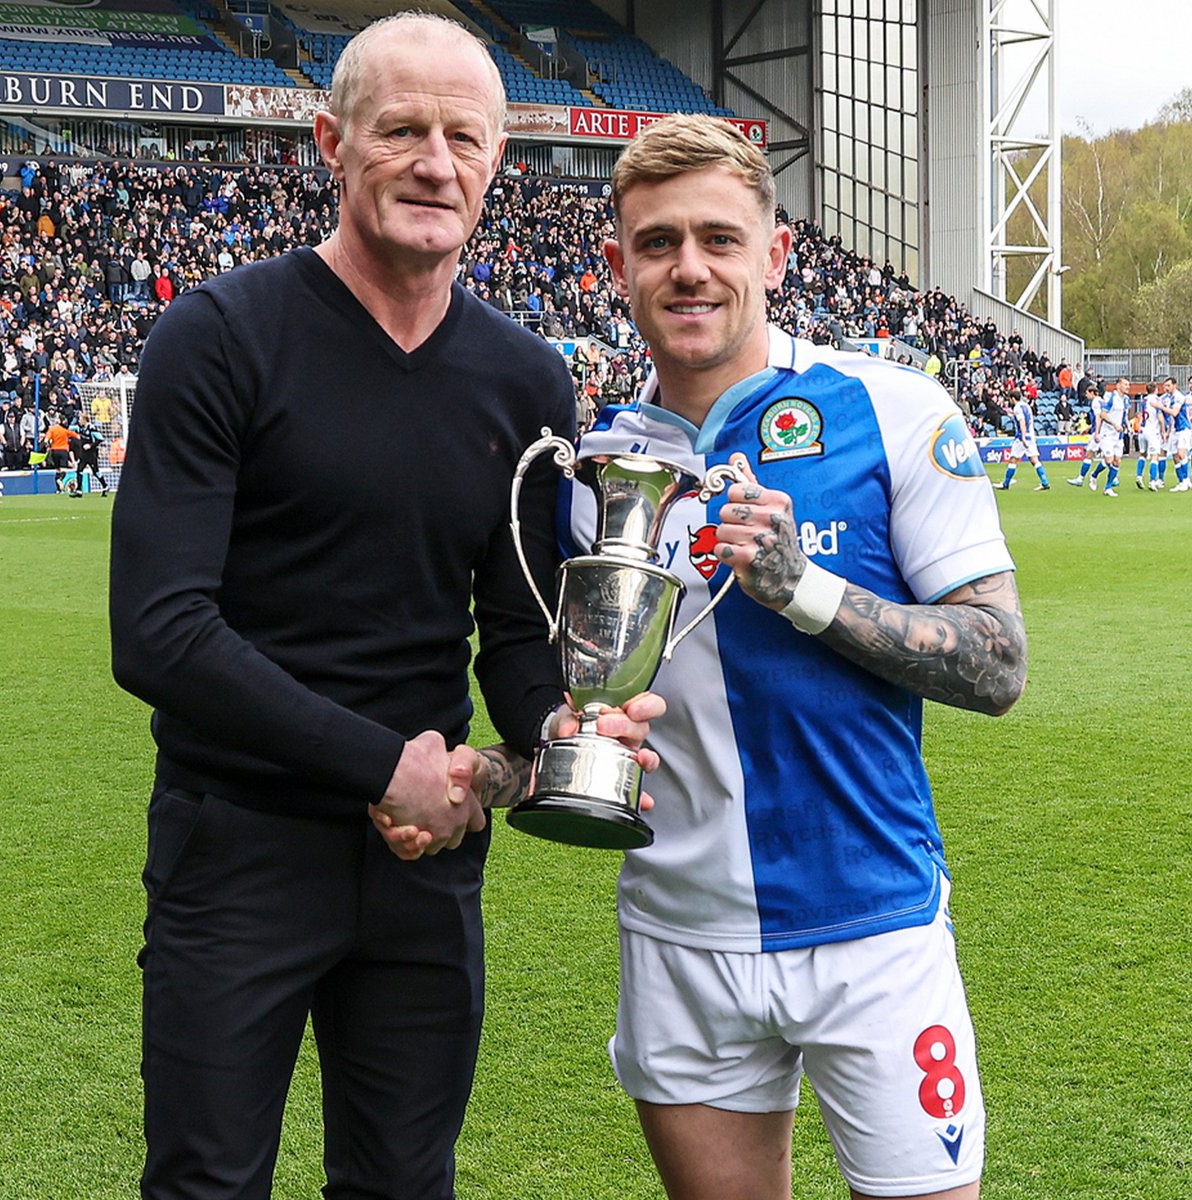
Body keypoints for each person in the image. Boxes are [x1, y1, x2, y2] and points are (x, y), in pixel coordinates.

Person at [109, 15, 660, 1200]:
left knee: (407, 1184)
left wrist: (550, 734)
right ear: (331, 143)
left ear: (498, 161)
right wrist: (380, 765)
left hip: (424, 863)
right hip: (238, 842)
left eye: (464, 136)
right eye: (401, 130)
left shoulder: (525, 379)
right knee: (206, 1184)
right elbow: (160, 632)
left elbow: (516, 639)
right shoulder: (217, 338)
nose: (435, 161)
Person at [562, 114, 1027, 1200]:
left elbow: (999, 665)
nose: (690, 268)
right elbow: (573, 684)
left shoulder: (892, 409)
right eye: (659, 241)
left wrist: (803, 590)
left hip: (875, 928)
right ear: (618, 263)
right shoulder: (590, 465)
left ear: (774, 254)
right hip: (680, 935)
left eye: (721, 239)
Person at [998, 388, 1049, 491]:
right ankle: (1045, 482)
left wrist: (1023, 438)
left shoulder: (1017, 407)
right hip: (1031, 435)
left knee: (1013, 459)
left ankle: (1006, 484)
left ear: (1013, 398)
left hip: (1022, 437)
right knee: (1034, 459)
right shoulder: (1026, 405)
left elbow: (1022, 422)